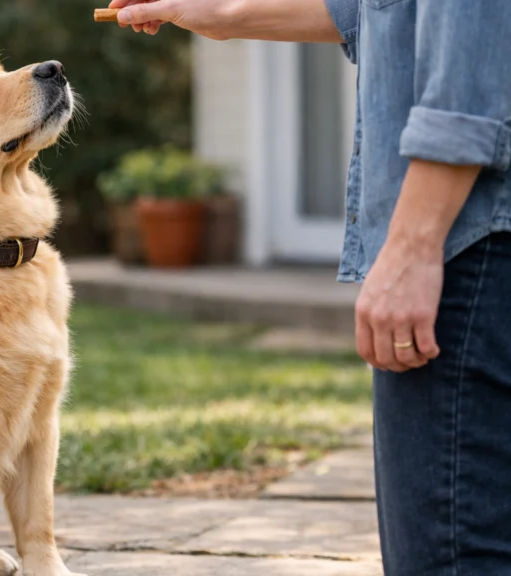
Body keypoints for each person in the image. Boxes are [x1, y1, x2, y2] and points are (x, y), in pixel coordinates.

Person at [108, 0, 511, 574]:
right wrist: (222, 12)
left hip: (472, 248)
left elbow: (473, 64)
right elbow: (380, 12)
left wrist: (412, 247)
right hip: (474, 240)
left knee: (452, 553)